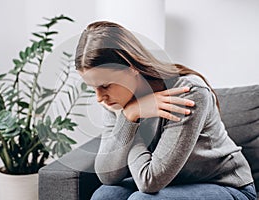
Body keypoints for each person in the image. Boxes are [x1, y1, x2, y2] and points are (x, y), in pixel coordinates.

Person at [75, 21, 257, 200]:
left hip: (226, 186)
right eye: (93, 88)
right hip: (172, 184)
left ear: (131, 70)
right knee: (105, 195)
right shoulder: (115, 101)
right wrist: (129, 117)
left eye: (105, 85)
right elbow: (108, 176)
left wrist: (131, 119)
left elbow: (150, 181)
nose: (99, 97)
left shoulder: (188, 92)